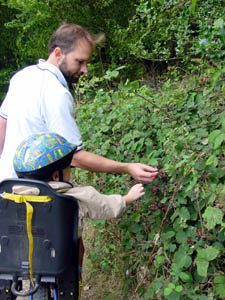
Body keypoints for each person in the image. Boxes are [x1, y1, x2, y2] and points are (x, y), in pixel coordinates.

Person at [0, 23, 158, 183]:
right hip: (34, 196)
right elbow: (74, 157)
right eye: (79, 61)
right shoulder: (56, 92)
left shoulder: (22, 76)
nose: (85, 70)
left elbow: (2, 124)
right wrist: (127, 167)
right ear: (58, 53)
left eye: (86, 62)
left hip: (6, 185)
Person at [12, 132, 146, 296]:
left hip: (24, 259)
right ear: (56, 175)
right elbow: (105, 206)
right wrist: (128, 198)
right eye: (69, 169)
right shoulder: (74, 196)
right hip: (63, 259)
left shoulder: (10, 196)